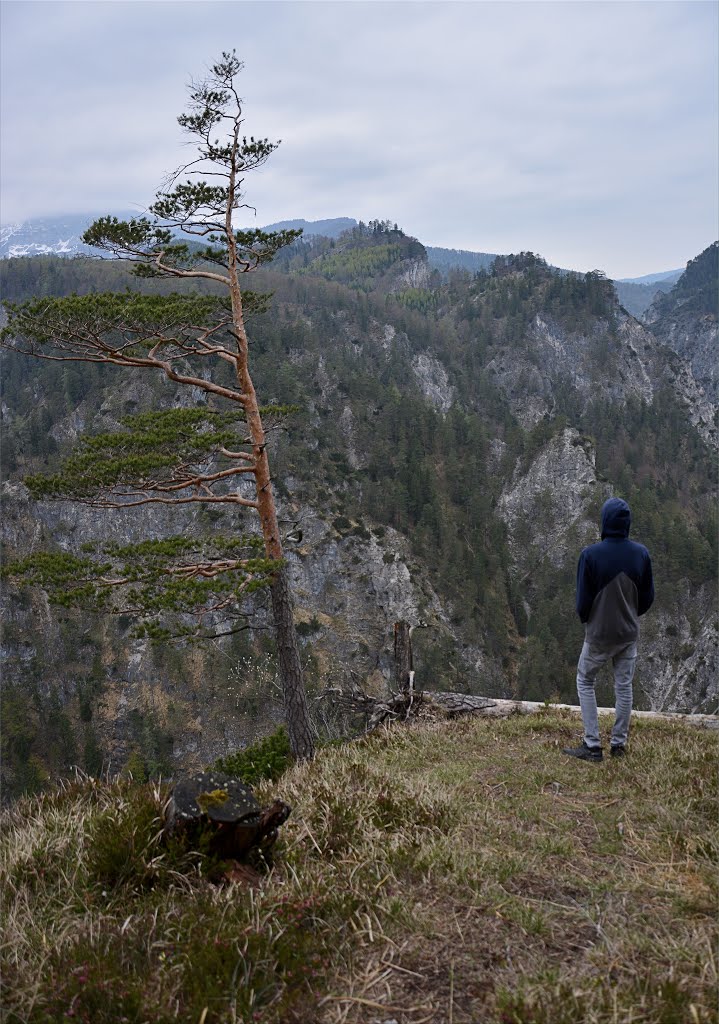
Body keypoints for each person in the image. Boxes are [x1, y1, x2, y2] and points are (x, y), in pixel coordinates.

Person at [564, 496, 654, 762]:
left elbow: (583, 601)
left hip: (599, 634)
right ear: (626, 524)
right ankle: (619, 746)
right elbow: (647, 598)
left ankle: (592, 746)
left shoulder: (590, 555)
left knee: (585, 680)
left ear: (604, 521)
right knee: (623, 686)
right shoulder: (640, 554)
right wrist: (629, 615)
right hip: (628, 634)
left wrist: (589, 620)